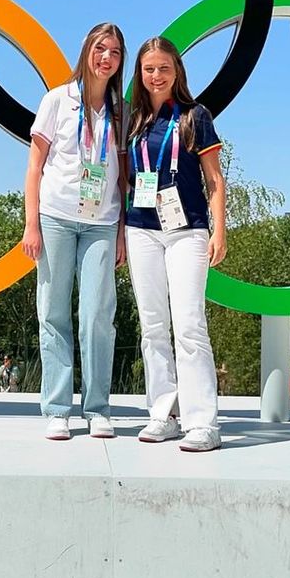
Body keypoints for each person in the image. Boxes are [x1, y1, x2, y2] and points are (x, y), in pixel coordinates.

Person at [23, 22, 128, 440]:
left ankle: (98, 407)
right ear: (86, 51)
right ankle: (57, 408)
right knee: (53, 312)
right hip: (56, 218)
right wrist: (31, 224)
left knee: (99, 315)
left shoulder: (121, 109)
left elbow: (123, 177)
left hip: (102, 223)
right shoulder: (56, 100)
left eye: (116, 52)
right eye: (101, 49)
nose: (106, 58)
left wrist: (121, 232)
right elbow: (35, 165)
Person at [124, 37, 226, 452]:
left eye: (164, 67)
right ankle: (162, 413)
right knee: (152, 327)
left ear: (177, 71)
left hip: (187, 229)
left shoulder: (195, 116)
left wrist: (220, 230)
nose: (156, 75)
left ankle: (203, 423)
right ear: (140, 74)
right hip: (141, 229)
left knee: (188, 325)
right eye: (149, 69)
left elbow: (215, 180)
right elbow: (125, 180)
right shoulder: (132, 120)